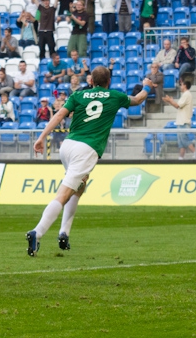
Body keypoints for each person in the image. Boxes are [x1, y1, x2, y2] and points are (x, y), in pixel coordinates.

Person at [27, 69, 153, 256]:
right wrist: (147, 86)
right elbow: (138, 99)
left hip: (68, 146)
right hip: (86, 149)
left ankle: (64, 233)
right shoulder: (115, 96)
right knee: (63, 194)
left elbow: (59, 115)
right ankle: (37, 232)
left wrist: (42, 137)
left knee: (80, 185)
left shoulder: (78, 95)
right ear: (109, 81)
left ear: (91, 81)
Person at [163, 79, 195, 160]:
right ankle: (181, 158)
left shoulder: (186, 94)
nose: (180, 86)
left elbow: (178, 105)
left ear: (185, 85)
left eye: (181, 85)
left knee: (184, 140)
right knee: (181, 143)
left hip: (183, 122)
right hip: (181, 121)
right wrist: (170, 101)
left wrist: (170, 101)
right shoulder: (185, 95)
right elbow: (178, 106)